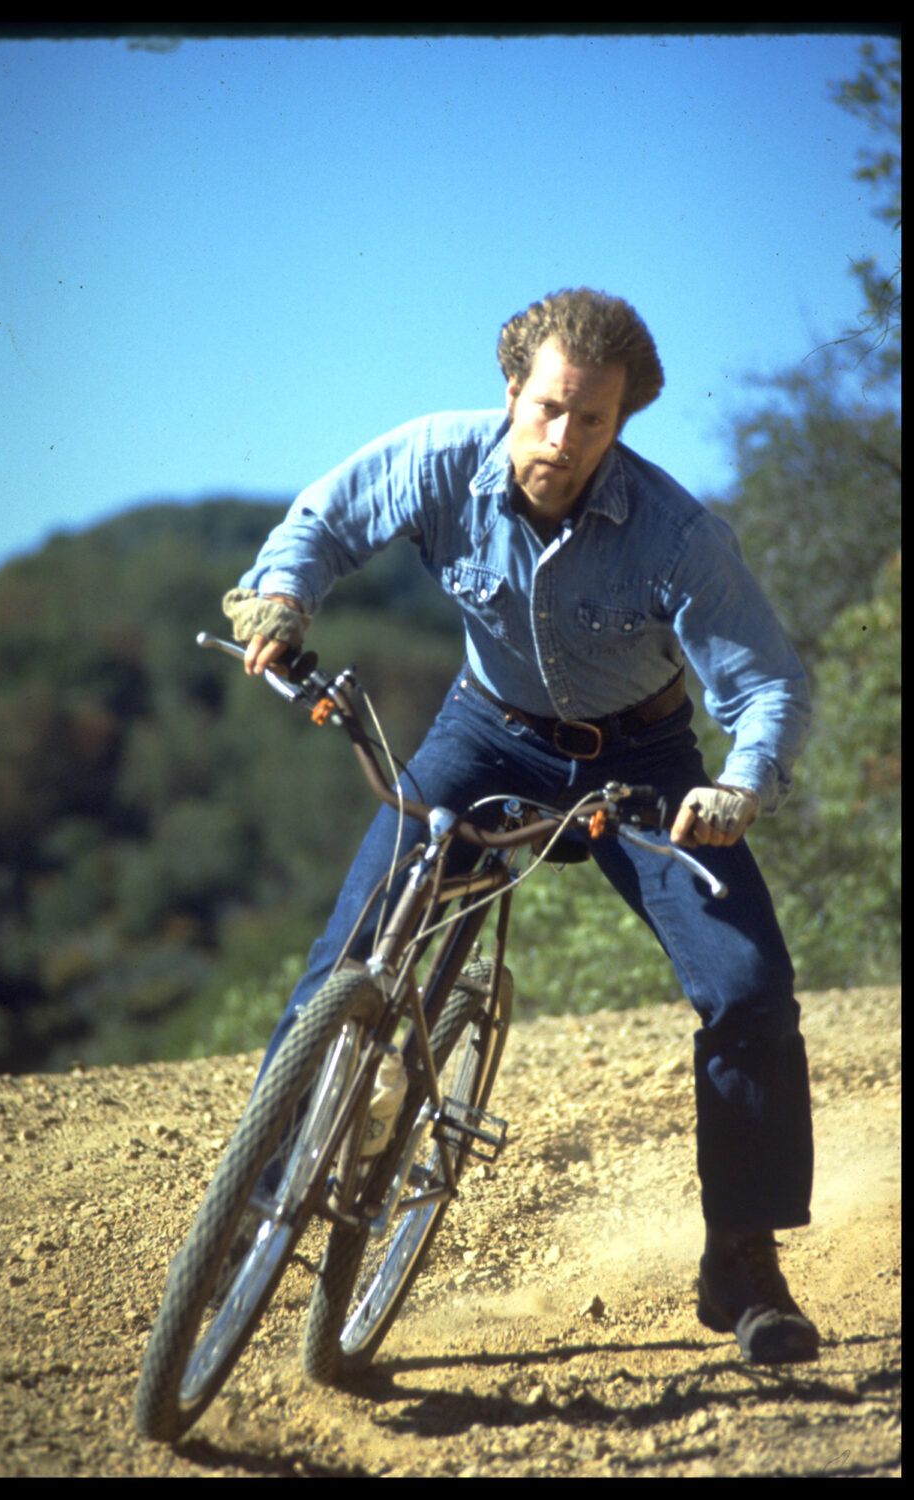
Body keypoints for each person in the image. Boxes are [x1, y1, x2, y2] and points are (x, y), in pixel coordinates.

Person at [221, 287, 819, 1365]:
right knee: (349, 953)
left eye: (591, 421)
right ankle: (251, 1207)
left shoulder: (676, 534)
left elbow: (768, 682)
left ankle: (741, 1265)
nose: (562, 438)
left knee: (748, 987)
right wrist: (279, 599)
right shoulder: (442, 458)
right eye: (548, 408)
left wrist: (741, 783)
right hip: (483, 735)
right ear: (513, 390)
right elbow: (322, 521)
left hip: (639, 765)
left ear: (621, 423)